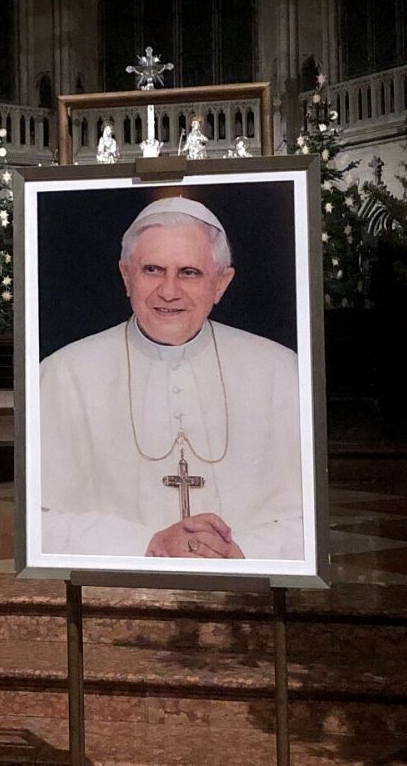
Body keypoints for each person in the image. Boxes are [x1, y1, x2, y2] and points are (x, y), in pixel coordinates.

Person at [39, 197, 303, 561]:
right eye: (152, 269)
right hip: (115, 594)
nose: (168, 291)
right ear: (126, 276)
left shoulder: (280, 371)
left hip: (245, 594)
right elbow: (39, 523)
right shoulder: (63, 374)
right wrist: (147, 545)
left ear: (221, 284)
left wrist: (240, 552)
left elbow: (309, 519)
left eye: (189, 273)